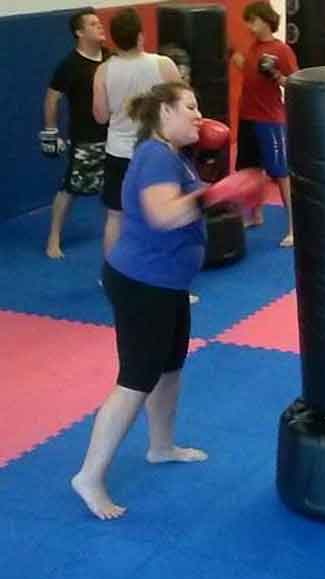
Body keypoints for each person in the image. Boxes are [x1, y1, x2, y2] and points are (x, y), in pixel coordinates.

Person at [72, 82, 208, 520]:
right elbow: (165, 215)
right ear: (164, 113)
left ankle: (161, 446)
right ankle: (89, 477)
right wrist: (217, 194)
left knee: (170, 369)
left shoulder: (171, 156)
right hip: (142, 283)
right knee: (136, 379)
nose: (198, 114)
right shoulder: (154, 155)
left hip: (166, 283)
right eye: (189, 106)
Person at [93, 8, 181, 256]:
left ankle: (111, 275)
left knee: (115, 215)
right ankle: (168, 281)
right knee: (164, 214)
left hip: (118, 152)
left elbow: (100, 116)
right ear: (140, 36)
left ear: (114, 39)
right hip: (155, 152)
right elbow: (183, 107)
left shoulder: (103, 70)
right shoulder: (163, 64)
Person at [43, 8, 110, 259]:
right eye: (93, 24)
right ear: (80, 32)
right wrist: (51, 132)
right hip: (85, 138)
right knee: (71, 187)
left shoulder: (111, 58)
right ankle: (54, 237)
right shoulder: (69, 65)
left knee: (112, 187)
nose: (100, 27)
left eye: (100, 23)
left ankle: (111, 234)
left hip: (114, 135)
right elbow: (52, 99)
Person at [232, 2, 298, 246]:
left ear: (265, 21)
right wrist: (233, 57)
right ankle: (255, 214)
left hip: (269, 120)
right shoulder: (253, 48)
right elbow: (248, 70)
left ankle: (294, 227)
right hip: (247, 117)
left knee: (281, 174)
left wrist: (277, 76)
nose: (249, 26)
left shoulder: (280, 50)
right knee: (249, 170)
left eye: (253, 21)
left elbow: (295, 82)